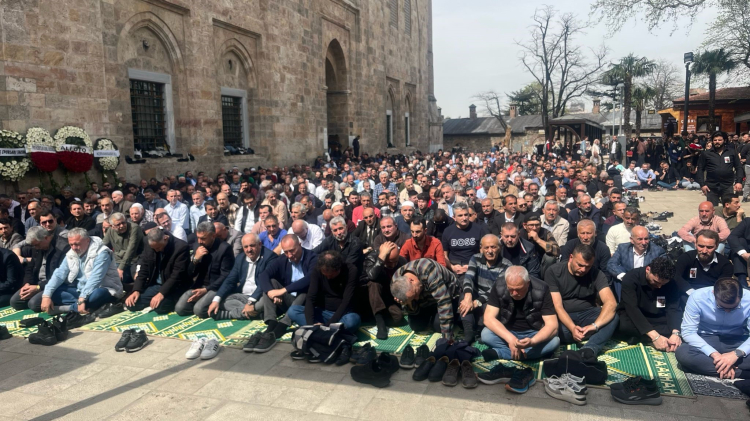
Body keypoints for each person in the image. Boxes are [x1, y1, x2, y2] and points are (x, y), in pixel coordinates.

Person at [546, 243, 619, 357]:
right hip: (564, 317)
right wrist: (572, 328)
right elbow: (557, 306)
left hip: (588, 314)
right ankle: (589, 334)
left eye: (587, 266)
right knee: (550, 327)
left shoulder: (595, 273)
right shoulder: (554, 271)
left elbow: (611, 303)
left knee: (613, 316)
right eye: (580, 265)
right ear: (571, 258)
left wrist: (595, 326)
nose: (583, 269)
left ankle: (590, 348)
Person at [480, 266, 560, 361]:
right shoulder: (499, 285)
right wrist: (511, 339)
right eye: (510, 289)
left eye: (518, 289)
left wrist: (533, 341)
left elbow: (552, 325)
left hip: (533, 332)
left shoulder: (542, 288)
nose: (514, 293)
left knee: (554, 341)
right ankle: (527, 354)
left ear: (527, 283)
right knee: (486, 334)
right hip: (507, 331)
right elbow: (488, 318)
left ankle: (500, 353)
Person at [675, 277, 750, 379]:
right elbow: (688, 332)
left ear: (741, 296)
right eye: (722, 307)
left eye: (734, 308)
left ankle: (711, 367)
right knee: (683, 353)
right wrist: (714, 354)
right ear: (713, 293)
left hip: (736, 341)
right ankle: (739, 373)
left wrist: (736, 354)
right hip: (706, 338)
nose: (727, 311)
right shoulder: (697, 297)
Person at [41, 228, 122, 314]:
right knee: (53, 292)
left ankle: (69, 308)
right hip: (80, 290)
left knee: (97, 295)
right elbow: (59, 274)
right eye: (71, 245)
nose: (74, 248)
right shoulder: (71, 253)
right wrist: (46, 295)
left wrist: (82, 299)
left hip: (103, 289)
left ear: (87, 240)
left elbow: (95, 279)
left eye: (76, 244)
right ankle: (85, 306)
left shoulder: (102, 253)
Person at [256, 235, 318, 340]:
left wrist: (283, 290)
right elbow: (263, 275)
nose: (289, 255)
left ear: (299, 245)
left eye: (292, 251)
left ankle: (283, 325)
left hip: (306, 303)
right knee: (271, 283)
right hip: (288, 299)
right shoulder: (283, 259)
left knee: (305, 291)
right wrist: (271, 292)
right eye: (286, 252)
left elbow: (309, 279)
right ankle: (271, 322)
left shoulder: (312, 258)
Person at [391, 258, 467, 341]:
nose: (416, 298)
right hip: (426, 301)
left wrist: (447, 339)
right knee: (417, 326)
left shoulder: (428, 270)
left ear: (411, 280)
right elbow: (413, 309)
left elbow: (444, 302)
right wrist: (408, 303)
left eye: (415, 293)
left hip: (448, 295)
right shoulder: (396, 282)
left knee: (439, 326)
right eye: (413, 297)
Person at [207, 233, 278, 322]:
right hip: (243, 296)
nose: (249, 250)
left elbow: (264, 283)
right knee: (223, 300)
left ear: (259, 244)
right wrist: (216, 300)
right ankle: (255, 313)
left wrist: (251, 302)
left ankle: (230, 314)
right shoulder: (240, 258)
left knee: (264, 302)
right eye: (246, 247)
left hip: (260, 295)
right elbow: (230, 280)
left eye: (252, 246)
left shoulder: (270, 257)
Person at [617, 257, 682, 351]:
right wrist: (655, 336)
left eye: (663, 284)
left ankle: (643, 337)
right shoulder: (631, 277)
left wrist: (675, 333)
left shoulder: (672, 283)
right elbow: (632, 308)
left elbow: (673, 309)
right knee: (622, 325)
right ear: (648, 269)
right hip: (635, 315)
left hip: (658, 317)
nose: (659, 287)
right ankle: (654, 338)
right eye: (656, 282)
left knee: (680, 327)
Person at [287, 250, 361, 333]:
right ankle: (321, 330)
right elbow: (311, 298)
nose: (328, 278)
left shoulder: (351, 271)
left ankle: (322, 331)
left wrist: (328, 325)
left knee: (353, 321)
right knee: (293, 311)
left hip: (343, 314)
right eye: (325, 275)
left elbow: (346, 301)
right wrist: (311, 324)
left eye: (331, 275)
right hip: (323, 312)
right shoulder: (317, 270)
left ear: (338, 268)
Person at [175, 222, 234, 318]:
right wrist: (195, 259)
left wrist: (206, 290)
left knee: (199, 310)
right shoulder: (198, 246)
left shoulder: (224, 249)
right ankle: (203, 303)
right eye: (198, 238)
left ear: (213, 236)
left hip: (215, 287)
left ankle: (219, 303)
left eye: (203, 238)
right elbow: (190, 274)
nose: (200, 241)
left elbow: (225, 275)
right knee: (180, 308)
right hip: (200, 285)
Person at [125, 227, 190, 314]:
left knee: (160, 307)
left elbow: (176, 276)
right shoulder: (149, 245)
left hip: (174, 287)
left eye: (159, 247)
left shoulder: (181, 247)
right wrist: (136, 290)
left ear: (165, 238)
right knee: (132, 304)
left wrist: (161, 293)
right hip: (156, 285)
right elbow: (144, 269)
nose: (156, 250)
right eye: (154, 248)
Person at [9, 226, 69, 311]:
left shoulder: (62, 247)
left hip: (53, 285)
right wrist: (27, 283)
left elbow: (60, 276)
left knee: (34, 304)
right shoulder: (37, 247)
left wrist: (38, 287)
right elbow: (30, 268)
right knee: (15, 302)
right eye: (34, 246)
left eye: (37, 245)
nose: (36, 248)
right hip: (37, 283)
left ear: (46, 238)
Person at [462, 234, 511, 328]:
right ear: (481, 248)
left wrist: (478, 302)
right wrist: (468, 296)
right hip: (475, 294)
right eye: (486, 248)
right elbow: (469, 277)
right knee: (464, 299)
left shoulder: (507, 265)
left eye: (493, 247)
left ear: (500, 248)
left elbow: (495, 289)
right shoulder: (475, 258)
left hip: (492, 298)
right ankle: (468, 330)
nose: (490, 251)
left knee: (486, 313)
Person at [674, 230, 735, 298]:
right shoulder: (686, 258)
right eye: (701, 246)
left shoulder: (725, 264)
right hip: (688, 294)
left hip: (713, 296)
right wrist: (691, 292)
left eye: (709, 247)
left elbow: (722, 286)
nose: (704, 251)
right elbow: (676, 276)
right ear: (695, 244)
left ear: (717, 246)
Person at [365, 241, 407, 339]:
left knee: (398, 317)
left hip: (388, 299)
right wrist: (381, 258)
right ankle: (380, 322)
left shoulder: (402, 261)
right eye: (389, 262)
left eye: (395, 261)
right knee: (374, 284)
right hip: (372, 297)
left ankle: (375, 316)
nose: (392, 265)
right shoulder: (372, 258)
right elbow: (371, 276)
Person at [607, 225, 666, 295]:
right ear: (632, 240)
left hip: (647, 285)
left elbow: (664, 268)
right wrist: (625, 277)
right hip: (628, 283)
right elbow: (611, 264)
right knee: (618, 274)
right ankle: (621, 300)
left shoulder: (657, 251)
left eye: (646, 239)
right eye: (640, 239)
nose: (644, 243)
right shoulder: (623, 248)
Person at [442, 202, 489, 279]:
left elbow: (483, 252)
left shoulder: (478, 229)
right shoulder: (447, 231)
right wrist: (452, 267)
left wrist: (473, 265)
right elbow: (444, 255)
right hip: (454, 268)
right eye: (460, 215)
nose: (464, 218)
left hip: (474, 266)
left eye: (466, 215)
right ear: (454, 217)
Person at [697, 131, 743, 206]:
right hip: (711, 186)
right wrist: (702, 185)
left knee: (729, 207)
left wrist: (739, 182)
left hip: (727, 185)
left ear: (724, 140)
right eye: (715, 140)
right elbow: (700, 169)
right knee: (712, 208)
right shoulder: (706, 153)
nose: (717, 142)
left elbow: (738, 167)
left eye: (719, 140)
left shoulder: (731, 152)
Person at [102, 213, 144, 284]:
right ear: (112, 226)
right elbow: (102, 246)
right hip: (117, 260)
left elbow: (131, 250)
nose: (122, 226)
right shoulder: (110, 231)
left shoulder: (134, 228)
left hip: (134, 260)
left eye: (123, 223)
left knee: (120, 278)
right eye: (118, 224)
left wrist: (121, 268)